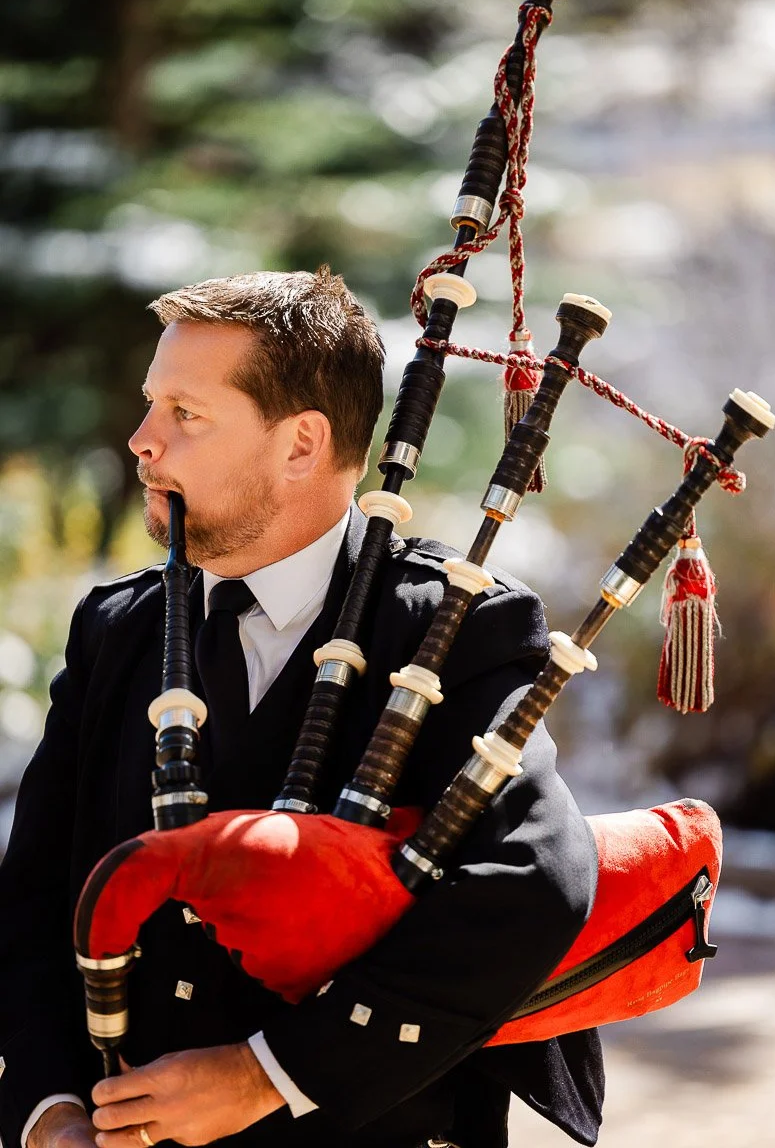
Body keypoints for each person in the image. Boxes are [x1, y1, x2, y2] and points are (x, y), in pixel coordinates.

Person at [0, 268, 603, 1148]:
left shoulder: (454, 624)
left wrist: (267, 1075)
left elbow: (535, 885)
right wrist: (51, 1113)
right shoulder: (118, 629)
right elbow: (30, 903)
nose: (141, 441)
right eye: (149, 405)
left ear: (301, 444)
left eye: (185, 413)